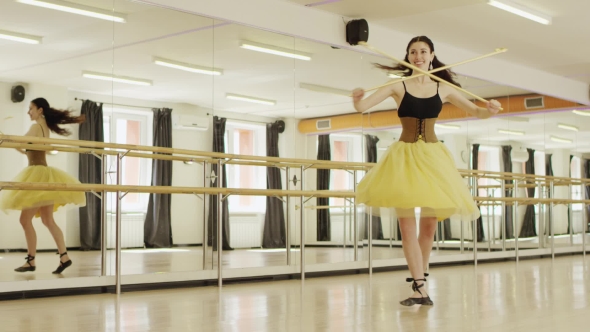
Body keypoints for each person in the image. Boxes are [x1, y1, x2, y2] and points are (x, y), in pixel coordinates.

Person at [352, 36, 501, 306]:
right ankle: (419, 286)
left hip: (433, 157)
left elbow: (476, 112)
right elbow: (362, 108)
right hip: (403, 158)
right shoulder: (397, 85)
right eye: (413, 52)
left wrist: (490, 110)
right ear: (408, 57)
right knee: (406, 227)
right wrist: (357, 98)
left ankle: (420, 282)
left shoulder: (443, 88)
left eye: (423, 51)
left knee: (430, 225)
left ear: (432, 55)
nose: (418, 55)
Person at [0, 98, 86, 274]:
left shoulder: (35, 127)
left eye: (30, 108)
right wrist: (7, 139)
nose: (28, 112)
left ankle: (31, 261)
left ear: (40, 110)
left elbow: (20, 143)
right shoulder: (44, 128)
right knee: (47, 220)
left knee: (25, 220)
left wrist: (4, 137)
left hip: (37, 174)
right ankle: (64, 256)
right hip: (44, 174)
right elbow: (25, 148)